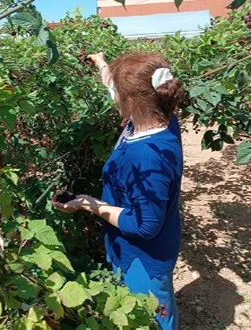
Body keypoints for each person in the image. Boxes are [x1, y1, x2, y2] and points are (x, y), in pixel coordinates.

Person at [52, 51, 184, 330]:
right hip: (139, 245)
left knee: (149, 316)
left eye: (120, 94)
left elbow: (145, 225)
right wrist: (101, 63)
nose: (115, 97)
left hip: (144, 255)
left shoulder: (148, 157)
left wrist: (90, 204)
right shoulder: (161, 116)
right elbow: (115, 88)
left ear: (131, 101)